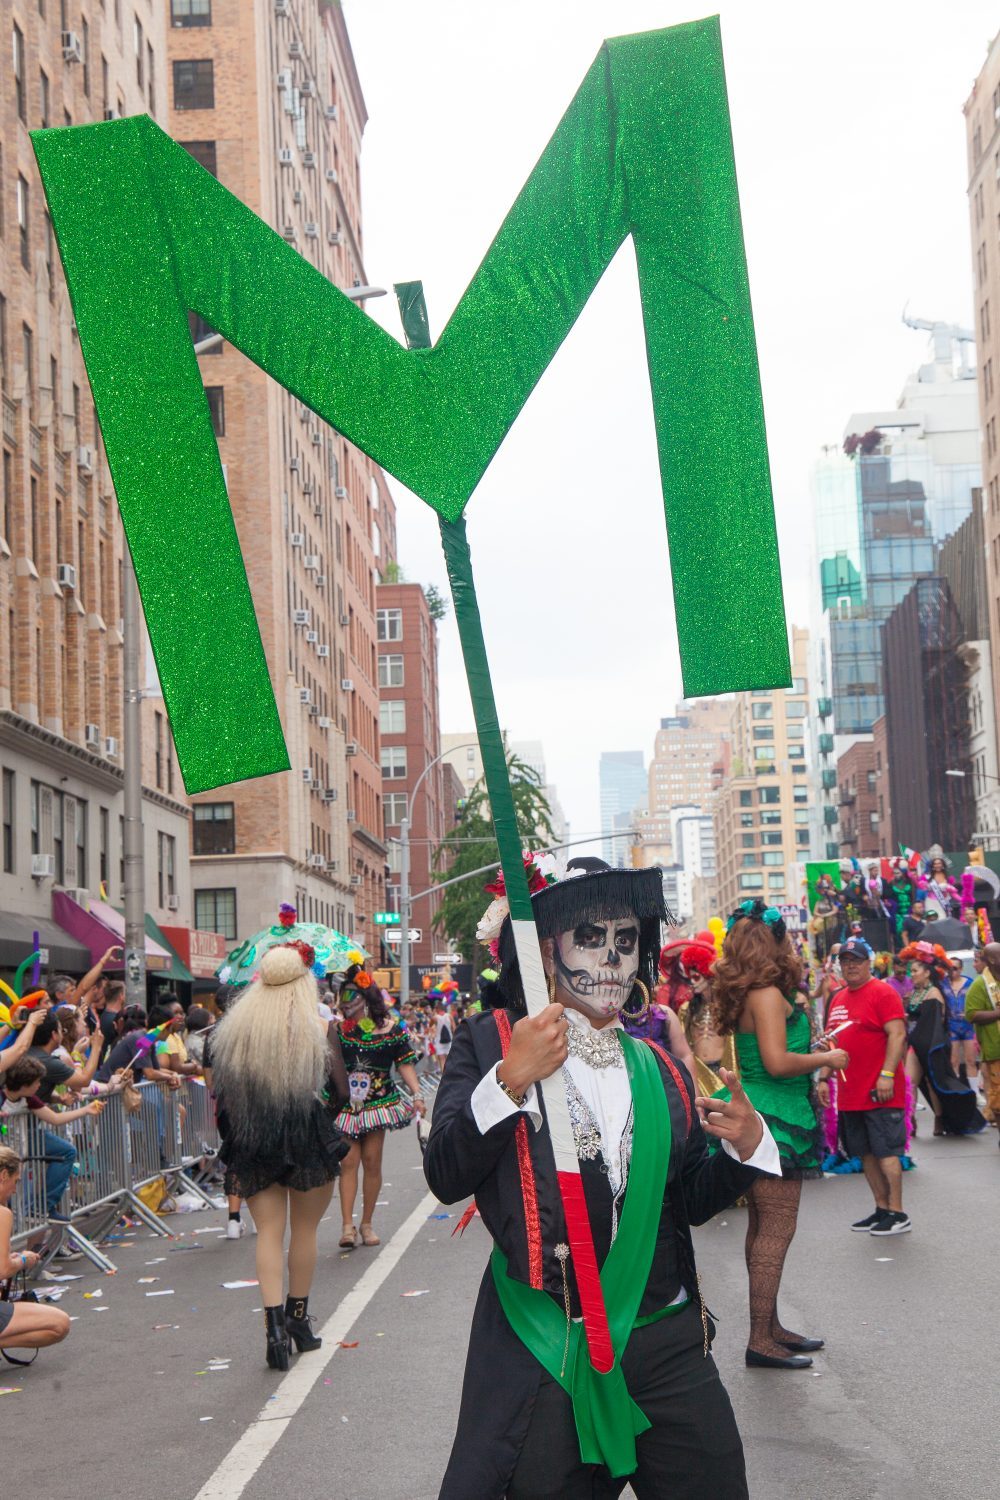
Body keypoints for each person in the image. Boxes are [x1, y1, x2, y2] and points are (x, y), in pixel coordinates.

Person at [426, 858, 781, 1500]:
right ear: (546, 951)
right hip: (547, 1345)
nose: (612, 958)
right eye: (590, 937)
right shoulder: (491, 1042)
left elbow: (687, 1204)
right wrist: (511, 1079)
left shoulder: (662, 1069)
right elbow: (447, 1174)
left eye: (626, 939)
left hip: (666, 1344)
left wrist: (746, 1147)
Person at [712, 900, 849, 1369]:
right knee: (776, 1227)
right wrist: (827, 1059)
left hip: (765, 1111)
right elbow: (776, 1063)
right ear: (770, 943)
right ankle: (760, 1339)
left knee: (763, 1226)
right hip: (773, 1115)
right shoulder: (766, 994)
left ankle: (770, 1328)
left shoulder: (756, 992)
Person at [209, 943, 350, 1370]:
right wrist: (319, 1119)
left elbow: (223, 1098)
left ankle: (273, 1332)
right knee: (304, 1231)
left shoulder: (235, 1032)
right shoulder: (320, 1028)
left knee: (268, 1233)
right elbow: (341, 1092)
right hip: (306, 1133)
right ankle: (298, 1320)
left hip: (254, 1134)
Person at [822, 937, 910, 1235]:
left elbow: (897, 1035)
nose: (851, 966)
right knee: (866, 1154)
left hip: (880, 1090)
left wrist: (887, 1074)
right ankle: (881, 1208)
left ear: (868, 963)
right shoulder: (838, 998)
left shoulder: (883, 992)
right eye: (846, 961)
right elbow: (832, 1044)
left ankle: (898, 1213)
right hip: (850, 1094)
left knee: (886, 1152)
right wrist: (823, 1077)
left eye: (856, 960)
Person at [336, 962, 425, 1248]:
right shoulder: (338, 1031)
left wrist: (417, 1094)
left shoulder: (390, 1030)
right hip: (347, 1106)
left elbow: (405, 1064)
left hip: (378, 1104)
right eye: (342, 996)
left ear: (366, 998)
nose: (345, 1002)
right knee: (348, 1162)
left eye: (351, 996)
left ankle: (366, 1223)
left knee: (372, 1161)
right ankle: (347, 1226)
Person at [0, 1057, 105, 1217]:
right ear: (25, 1084)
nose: (40, 1085)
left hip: (17, 1152)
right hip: (5, 1155)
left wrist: (86, 1110)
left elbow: (55, 1118)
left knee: (14, 1195)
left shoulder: (29, 1099)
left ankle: (40, 1208)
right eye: (37, 1082)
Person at [900, 941, 984, 1138]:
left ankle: (939, 1118)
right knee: (909, 1082)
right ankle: (910, 1120)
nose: (912, 974)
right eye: (911, 971)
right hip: (917, 1044)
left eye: (915, 971)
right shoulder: (916, 993)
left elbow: (932, 1025)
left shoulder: (934, 993)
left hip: (933, 1046)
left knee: (934, 1083)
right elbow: (915, 1018)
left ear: (927, 973)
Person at [0, 1144, 72, 1353]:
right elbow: (3, 1269)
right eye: (15, 1181)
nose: (15, 1190)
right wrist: (23, 1260)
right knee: (59, 1324)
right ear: (3, 1175)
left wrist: (10, 1258)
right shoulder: (2, 1214)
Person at [675, 943, 731, 1096]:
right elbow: (683, 1046)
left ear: (707, 975)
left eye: (696, 977)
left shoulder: (727, 1006)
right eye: (690, 978)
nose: (692, 983)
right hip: (698, 1074)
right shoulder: (686, 1009)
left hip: (723, 1071)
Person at [964, 942, 1000, 1142]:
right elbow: (971, 1014)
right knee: (999, 1100)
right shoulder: (980, 985)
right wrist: (997, 1013)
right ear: (992, 960)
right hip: (996, 1051)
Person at [942, 957, 977, 1092]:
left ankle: (975, 1093)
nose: (952, 971)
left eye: (955, 968)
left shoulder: (970, 983)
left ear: (961, 969)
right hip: (951, 1026)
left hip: (967, 1026)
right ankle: (958, 1092)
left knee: (971, 1060)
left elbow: (976, 1001)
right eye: (949, 968)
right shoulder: (943, 984)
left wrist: (970, 1013)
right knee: (953, 1061)